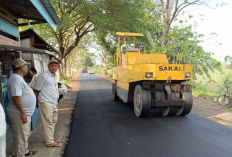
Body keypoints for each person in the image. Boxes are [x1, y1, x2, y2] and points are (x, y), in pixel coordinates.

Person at [7, 58, 37, 156]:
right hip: (19, 113)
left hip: (22, 112)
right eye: (25, 66)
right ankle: (20, 154)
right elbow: (16, 98)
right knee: (20, 137)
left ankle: (24, 151)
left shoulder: (18, 77)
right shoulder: (15, 79)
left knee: (23, 135)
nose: (27, 68)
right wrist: (23, 113)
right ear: (21, 67)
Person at [33, 59, 62, 147]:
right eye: (52, 65)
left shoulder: (54, 76)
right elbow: (36, 89)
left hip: (53, 103)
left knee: (53, 121)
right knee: (48, 122)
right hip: (45, 102)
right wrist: (36, 101)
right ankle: (49, 142)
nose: (54, 67)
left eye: (56, 66)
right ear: (48, 66)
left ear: (57, 67)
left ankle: (50, 137)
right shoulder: (43, 75)